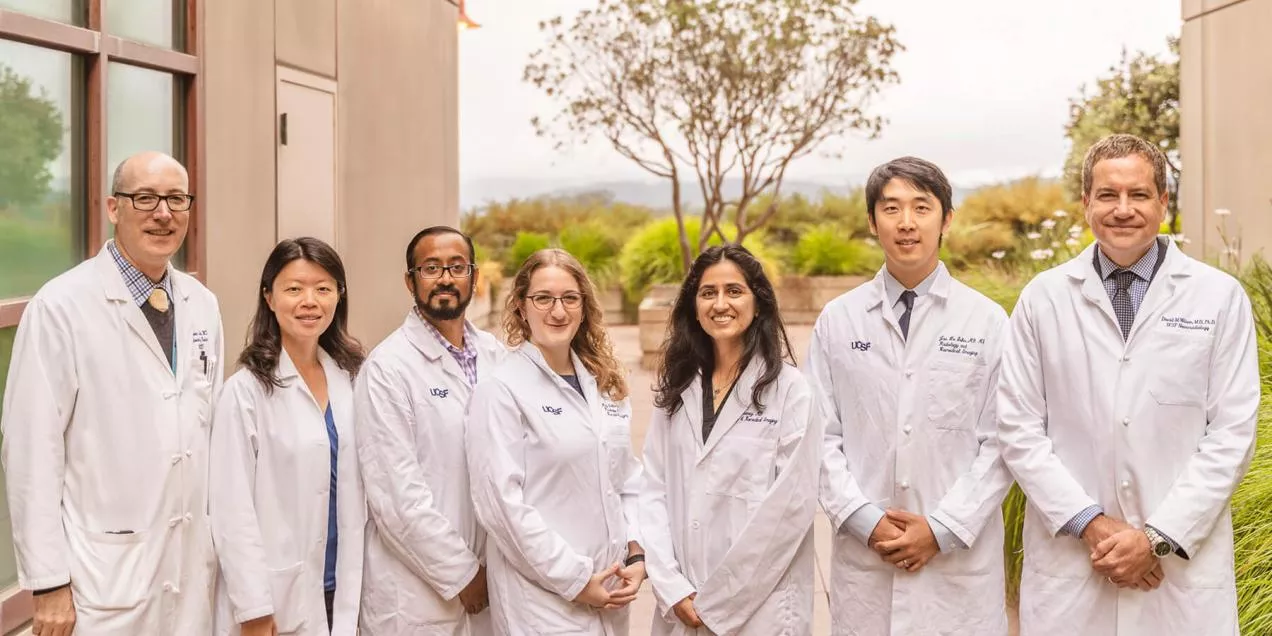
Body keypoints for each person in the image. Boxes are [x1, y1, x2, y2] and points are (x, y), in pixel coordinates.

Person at [997, 133, 1259, 635]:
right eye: (1107, 195)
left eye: (1138, 195)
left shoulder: (1218, 298)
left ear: (1163, 202)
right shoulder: (1043, 299)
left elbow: (1232, 434)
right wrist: (1095, 526)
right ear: (1085, 203)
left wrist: (1155, 538)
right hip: (1074, 566)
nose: (1123, 210)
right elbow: (1019, 429)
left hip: (1179, 568)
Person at [0, 151, 223, 635]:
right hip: (99, 580)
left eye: (176, 199)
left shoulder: (202, 305)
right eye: (144, 198)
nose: (163, 213)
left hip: (187, 573)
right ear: (113, 207)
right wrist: (48, 582)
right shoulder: (61, 307)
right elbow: (31, 453)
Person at [811, 156, 1015, 635]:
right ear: (871, 221)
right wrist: (863, 519)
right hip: (868, 562)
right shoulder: (838, 321)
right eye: (892, 208)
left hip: (957, 568)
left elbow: (1003, 440)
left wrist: (941, 529)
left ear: (946, 219)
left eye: (921, 208)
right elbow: (818, 435)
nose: (906, 223)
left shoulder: (986, 322)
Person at [639, 245, 822, 635]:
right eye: (708, 293)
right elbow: (652, 490)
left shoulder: (791, 392)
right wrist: (672, 587)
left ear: (759, 303)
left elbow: (787, 514)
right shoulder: (678, 388)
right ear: (693, 306)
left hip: (758, 610)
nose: (720, 304)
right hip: (682, 603)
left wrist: (716, 604)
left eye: (734, 291)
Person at [465, 248, 645, 635]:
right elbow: (502, 507)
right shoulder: (501, 389)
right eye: (543, 298)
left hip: (611, 590)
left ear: (584, 306)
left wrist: (636, 552)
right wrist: (576, 580)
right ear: (520, 306)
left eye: (569, 298)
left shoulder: (602, 383)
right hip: (543, 603)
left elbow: (626, 480)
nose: (558, 312)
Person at [209, 237, 367, 635]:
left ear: (339, 296)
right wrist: (254, 608)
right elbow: (232, 509)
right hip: (277, 600)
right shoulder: (246, 391)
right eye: (294, 289)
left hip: (345, 586)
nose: (309, 301)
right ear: (269, 297)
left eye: (323, 288)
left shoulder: (352, 378)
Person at [355, 226, 504, 634]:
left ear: (474, 277)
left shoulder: (497, 357)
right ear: (410, 280)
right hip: (418, 593)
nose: (445, 278)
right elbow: (396, 496)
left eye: (457, 267)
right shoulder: (388, 369)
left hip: (494, 582)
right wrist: (462, 574)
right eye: (431, 267)